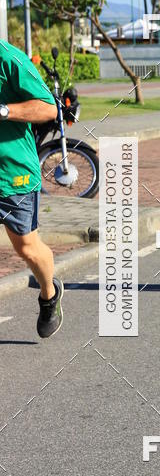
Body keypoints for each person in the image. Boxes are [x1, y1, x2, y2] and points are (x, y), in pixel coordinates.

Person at [0, 39, 64, 337]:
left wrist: (3, 110)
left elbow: (47, 108)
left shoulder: (10, 59)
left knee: (26, 247)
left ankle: (49, 294)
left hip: (13, 174)